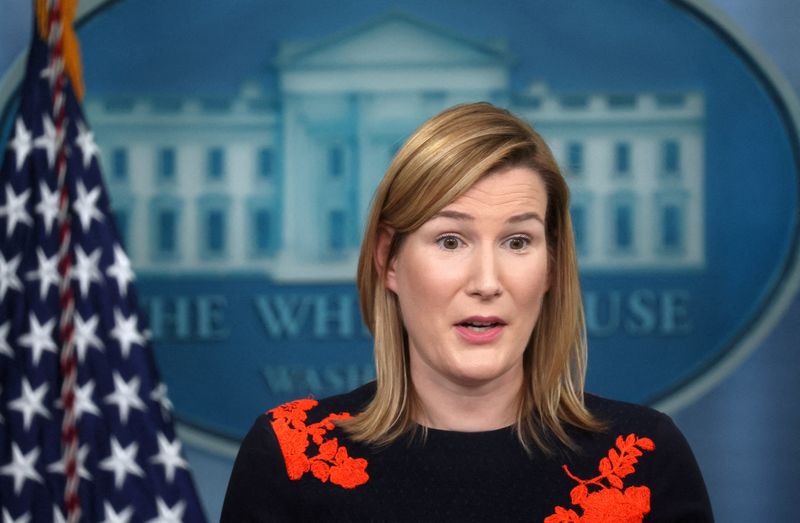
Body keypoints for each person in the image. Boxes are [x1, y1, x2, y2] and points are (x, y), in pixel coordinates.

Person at [221, 103, 713, 522]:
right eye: (450, 240)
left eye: (518, 241)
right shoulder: (290, 454)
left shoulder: (644, 456)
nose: (486, 282)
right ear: (388, 260)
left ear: (551, 267)